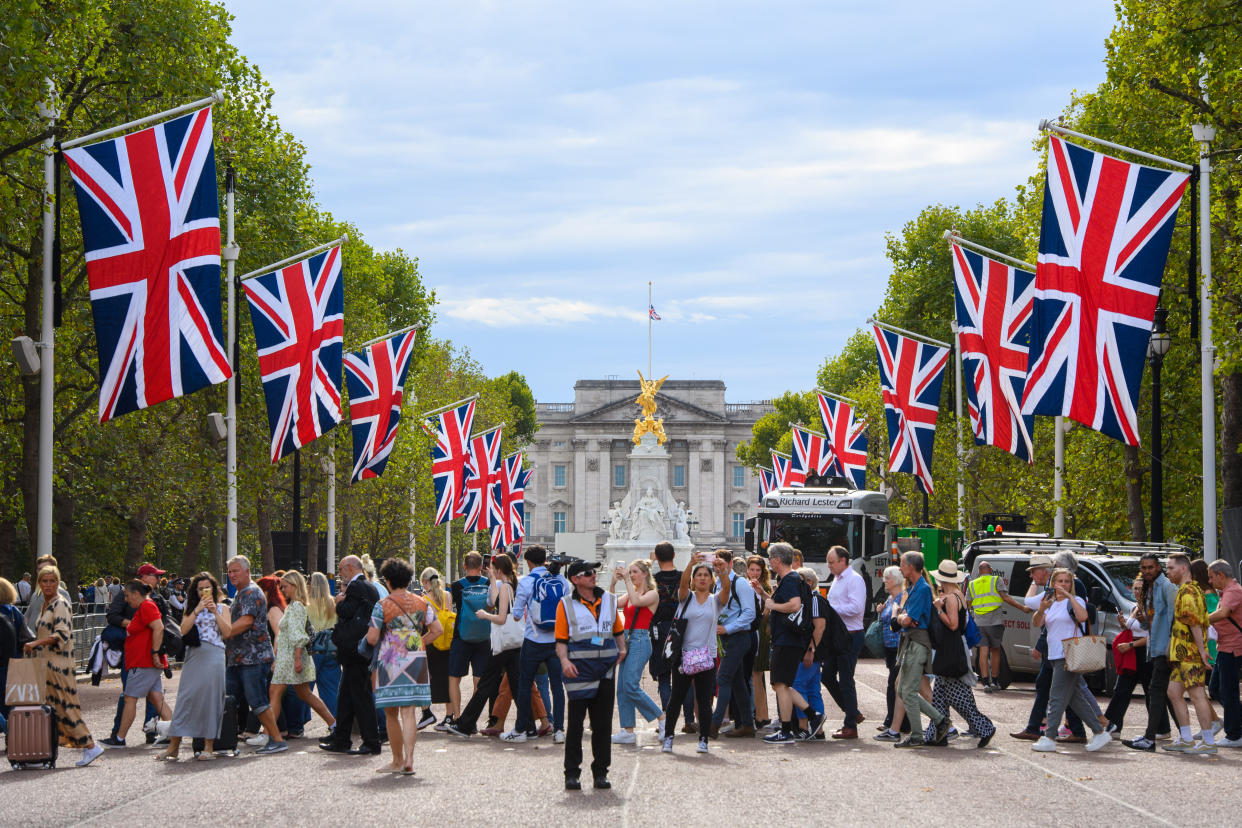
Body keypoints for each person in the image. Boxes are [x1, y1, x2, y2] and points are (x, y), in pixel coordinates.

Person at [21, 566, 104, 766]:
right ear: (39, 583)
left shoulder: (60, 604)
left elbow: (62, 634)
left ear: (58, 583)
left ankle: (90, 746)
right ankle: (43, 752)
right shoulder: (46, 604)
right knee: (52, 710)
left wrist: (35, 643)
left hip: (58, 666)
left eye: (52, 581)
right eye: (44, 581)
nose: (48, 585)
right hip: (46, 665)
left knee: (65, 708)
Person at [366, 558, 441, 775]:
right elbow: (437, 630)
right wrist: (417, 643)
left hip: (392, 659)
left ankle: (397, 760)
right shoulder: (422, 603)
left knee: (391, 712)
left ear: (387, 581)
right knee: (409, 711)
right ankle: (410, 759)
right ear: (409, 580)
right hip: (416, 657)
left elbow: (372, 638)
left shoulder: (382, 605)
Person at [557, 561, 626, 789]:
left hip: (605, 669)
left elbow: (617, 629)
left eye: (594, 572)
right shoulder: (566, 604)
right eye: (587, 573)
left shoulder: (608, 599)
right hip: (579, 670)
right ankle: (572, 773)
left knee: (603, 724)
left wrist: (622, 648)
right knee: (576, 725)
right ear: (575, 579)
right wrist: (564, 660)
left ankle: (601, 772)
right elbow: (561, 639)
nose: (593, 576)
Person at [1030, 567, 1111, 753]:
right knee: (1075, 699)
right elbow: (1037, 623)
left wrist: (1070, 596)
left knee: (1056, 697)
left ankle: (1049, 737)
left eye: (1067, 581)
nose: (1063, 584)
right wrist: (1041, 608)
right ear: (1053, 583)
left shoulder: (1076, 600)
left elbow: (1083, 617)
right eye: (1060, 581)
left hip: (1068, 655)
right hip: (1054, 655)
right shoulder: (1050, 603)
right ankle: (1099, 732)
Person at [1010, 554, 1087, 742]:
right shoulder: (1051, 590)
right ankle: (1075, 729)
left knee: (1062, 692)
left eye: (1034, 571)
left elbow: (1077, 617)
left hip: (1066, 649)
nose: (1031, 575)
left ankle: (1056, 733)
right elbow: (1041, 618)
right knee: (1056, 689)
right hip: (1054, 649)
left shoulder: (1072, 588)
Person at [157, 572, 232, 761]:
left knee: (211, 699)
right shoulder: (190, 608)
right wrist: (197, 609)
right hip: (194, 654)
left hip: (214, 655)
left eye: (208, 588)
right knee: (185, 698)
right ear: (195, 591)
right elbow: (183, 630)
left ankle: (209, 745)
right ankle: (174, 746)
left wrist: (215, 611)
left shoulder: (223, 608)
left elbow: (227, 632)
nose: (204, 592)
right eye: (200, 589)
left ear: (214, 589)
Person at [661, 555, 731, 754]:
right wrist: (690, 564)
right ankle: (669, 736)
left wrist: (723, 572)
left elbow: (726, 590)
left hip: (706, 656)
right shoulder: (687, 597)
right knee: (677, 698)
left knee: (705, 699)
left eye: (705, 575)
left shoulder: (714, 601)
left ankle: (703, 739)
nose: (702, 578)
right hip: (684, 654)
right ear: (694, 579)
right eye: (698, 575)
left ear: (711, 580)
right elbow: (683, 584)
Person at [922, 560, 996, 748]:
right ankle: (937, 733)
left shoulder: (952, 598)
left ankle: (984, 727)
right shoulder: (956, 594)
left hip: (951, 649)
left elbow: (953, 624)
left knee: (958, 696)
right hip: (952, 648)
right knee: (940, 696)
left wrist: (939, 609)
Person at [449, 554, 525, 736]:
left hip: (504, 643)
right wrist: (491, 579)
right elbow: (493, 602)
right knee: (515, 685)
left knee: (485, 685)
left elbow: (499, 616)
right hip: (510, 642)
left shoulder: (506, 587)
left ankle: (465, 723)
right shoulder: (509, 584)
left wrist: (484, 615)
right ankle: (526, 725)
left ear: (499, 569)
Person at [220, 556, 285, 755]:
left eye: (236, 571)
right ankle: (221, 740)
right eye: (230, 571)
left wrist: (225, 631)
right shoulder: (241, 593)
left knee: (257, 701)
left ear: (247, 572)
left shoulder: (251, 592)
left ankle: (277, 739)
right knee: (226, 698)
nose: (232, 575)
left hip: (253, 659)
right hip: (237, 659)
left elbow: (247, 621)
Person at [503, 545, 567, 743]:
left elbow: (515, 615)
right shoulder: (561, 580)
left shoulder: (526, 582)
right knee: (557, 686)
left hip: (533, 639)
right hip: (556, 640)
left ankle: (521, 729)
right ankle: (559, 730)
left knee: (524, 684)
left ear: (528, 561)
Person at [320, 555, 381, 756]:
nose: (339, 574)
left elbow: (347, 612)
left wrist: (338, 602)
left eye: (340, 569)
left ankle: (371, 741)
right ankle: (341, 738)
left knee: (361, 696)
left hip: (353, 648)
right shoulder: (370, 587)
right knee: (346, 696)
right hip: (360, 647)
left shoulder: (355, 587)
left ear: (348, 568)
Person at [100, 581, 172, 749]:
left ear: (136, 594)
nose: (126, 599)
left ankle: (119, 738)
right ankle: (172, 733)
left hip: (143, 661)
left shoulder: (147, 606)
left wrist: (154, 653)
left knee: (130, 699)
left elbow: (158, 627)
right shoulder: (147, 606)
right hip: (144, 661)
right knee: (156, 698)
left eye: (127, 595)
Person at [892, 551, 950, 748]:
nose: (900, 568)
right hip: (913, 643)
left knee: (907, 690)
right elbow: (906, 618)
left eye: (901, 564)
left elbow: (907, 619)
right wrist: (902, 617)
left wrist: (899, 617)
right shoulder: (917, 587)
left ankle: (919, 733)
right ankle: (939, 721)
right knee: (904, 690)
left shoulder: (921, 589)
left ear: (910, 567)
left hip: (917, 644)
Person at [1161, 553, 1218, 754]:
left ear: (1183, 569)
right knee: (1173, 692)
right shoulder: (1190, 590)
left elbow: (1194, 622)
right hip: (1183, 653)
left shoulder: (1187, 592)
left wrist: (1202, 651)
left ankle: (1208, 742)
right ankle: (1186, 738)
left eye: (1170, 568)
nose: (1167, 572)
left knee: (1196, 694)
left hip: (1189, 653)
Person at [269, 571, 337, 736]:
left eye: (284, 587)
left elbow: (298, 634)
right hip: (325, 648)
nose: (282, 590)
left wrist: (297, 658)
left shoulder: (297, 606)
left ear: (294, 585)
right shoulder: (329, 602)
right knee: (313, 692)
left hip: (293, 655)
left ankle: (270, 734)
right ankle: (334, 724)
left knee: (277, 692)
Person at [1123, 553, 1179, 752]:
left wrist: (1170, 648)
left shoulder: (1166, 586)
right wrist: (1141, 617)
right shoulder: (1150, 587)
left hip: (1165, 648)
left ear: (1158, 567)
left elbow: (1175, 618)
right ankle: (1183, 735)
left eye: (1150, 567)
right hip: (1156, 647)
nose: (1147, 571)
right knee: (1167, 693)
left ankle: (1150, 738)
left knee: (1159, 692)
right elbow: (1152, 620)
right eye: (1144, 567)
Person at [609, 558, 666, 744]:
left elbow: (638, 602)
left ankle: (662, 719)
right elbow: (611, 604)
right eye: (630, 572)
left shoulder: (652, 594)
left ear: (644, 574)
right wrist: (613, 581)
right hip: (627, 638)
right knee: (622, 688)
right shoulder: (631, 592)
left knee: (631, 685)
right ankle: (627, 729)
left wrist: (625, 581)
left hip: (640, 639)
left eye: (635, 572)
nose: (632, 575)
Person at [762, 542, 807, 744]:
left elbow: (794, 605)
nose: (769, 562)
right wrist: (765, 597)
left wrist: (773, 605)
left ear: (778, 560)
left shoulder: (789, 579)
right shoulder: (789, 579)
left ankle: (787, 730)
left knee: (780, 684)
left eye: (771, 558)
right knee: (782, 684)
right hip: (789, 639)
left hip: (787, 639)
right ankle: (811, 714)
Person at [647, 541, 694, 732]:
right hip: (683, 629)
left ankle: (667, 720)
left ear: (657, 558)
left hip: (660, 629)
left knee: (664, 677)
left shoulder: (653, 580)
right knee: (685, 675)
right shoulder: (683, 577)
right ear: (674, 555)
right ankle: (689, 720)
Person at [444, 552, 492, 735]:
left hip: (461, 637)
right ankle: (470, 720)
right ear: (482, 566)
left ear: (464, 566)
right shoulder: (487, 584)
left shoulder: (456, 586)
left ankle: (457, 717)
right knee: (478, 681)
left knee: (454, 678)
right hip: (483, 637)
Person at [712, 549, 757, 739]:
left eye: (721, 564)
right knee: (737, 681)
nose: (717, 567)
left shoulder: (741, 584)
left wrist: (727, 628)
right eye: (715, 564)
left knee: (723, 678)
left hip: (738, 637)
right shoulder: (717, 585)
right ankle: (747, 724)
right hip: (726, 638)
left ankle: (713, 725)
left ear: (730, 563)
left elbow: (750, 613)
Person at [823, 545, 865, 739]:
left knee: (846, 679)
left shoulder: (855, 580)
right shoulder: (837, 579)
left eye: (832, 562)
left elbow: (856, 608)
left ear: (843, 561)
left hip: (851, 634)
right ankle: (852, 712)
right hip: (837, 635)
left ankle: (850, 725)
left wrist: (831, 609)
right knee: (828, 676)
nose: (829, 566)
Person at [966, 560, 1028, 691]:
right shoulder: (996, 580)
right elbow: (1006, 598)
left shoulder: (972, 584)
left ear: (979, 570)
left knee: (983, 651)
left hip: (980, 623)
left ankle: (985, 682)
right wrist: (1022, 608)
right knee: (995, 650)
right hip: (995, 622)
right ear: (990, 569)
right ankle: (994, 681)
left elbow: (968, 604)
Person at [1101, 579, 1151, 737]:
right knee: (1121, 689)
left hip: (1145, 652)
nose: (1136, 592)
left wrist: (1131, 645)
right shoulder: (1135, 607)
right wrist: (1123, 624)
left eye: (1140, 589)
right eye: (1135, 588)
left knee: (1151, 693)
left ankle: (1161, 728)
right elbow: (1132, 629)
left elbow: (1154, 636)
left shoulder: (1152, 609)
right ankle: (1112, 726)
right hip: (1132, 651)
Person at [789, 566, 827, 741]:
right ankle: (818, 731)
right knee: (813, 690)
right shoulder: (809, 599)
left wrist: (810, 650)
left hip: (810, 651)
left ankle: (804, 726)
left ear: (809, 583)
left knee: (798, 686)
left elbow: (819, 627)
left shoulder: (815, 600)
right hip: (812, 650)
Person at [1207, 560, 1242, 748]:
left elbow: (1223, 613)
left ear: (1221, 575)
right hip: (1224, 647)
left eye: (1212, 577)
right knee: (1215, 689)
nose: (1210, 582)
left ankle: (1234, 734)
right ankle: (1236, 725)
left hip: (1233, 647)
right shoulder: (1226, 592)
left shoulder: (1233, 591)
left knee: (1228, 691)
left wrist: (1202, 620)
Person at [874, 566, 906, 741]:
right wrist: (880, 612)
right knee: (895, 683)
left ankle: (891, 721)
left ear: (896, 580)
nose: (884, 581)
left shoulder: (902, 597)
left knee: (893, 684)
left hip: (898, 647)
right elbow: (886, 620)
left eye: (887, 578)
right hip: (889, 646)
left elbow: (898, 622)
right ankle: (902, 722)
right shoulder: (890, 597)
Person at [419, 567, 453, 730]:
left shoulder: (424, 599)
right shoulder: (447, 595)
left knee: (424, 678)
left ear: (425, 582)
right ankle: (449, 716)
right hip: (447, 643)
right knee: (448, 679)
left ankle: (426, 712)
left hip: (432, 642)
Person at [307, 572, 340, 717]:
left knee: (304, 690)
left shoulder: (305, 604)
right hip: (331, 648)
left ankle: (299, 723)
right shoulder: (333, 603)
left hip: (312, 649)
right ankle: (336, 720)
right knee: (331, 689)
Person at [747, 555, 774, 729]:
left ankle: (761, 715)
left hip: (760, 633)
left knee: (756, 675)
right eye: (752, 570)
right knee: (755, 676)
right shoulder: (746, 585)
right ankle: (759, 714)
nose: (755, 573)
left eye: (758, 570)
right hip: (754, 631)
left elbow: (767, 613)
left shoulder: (764, 588)